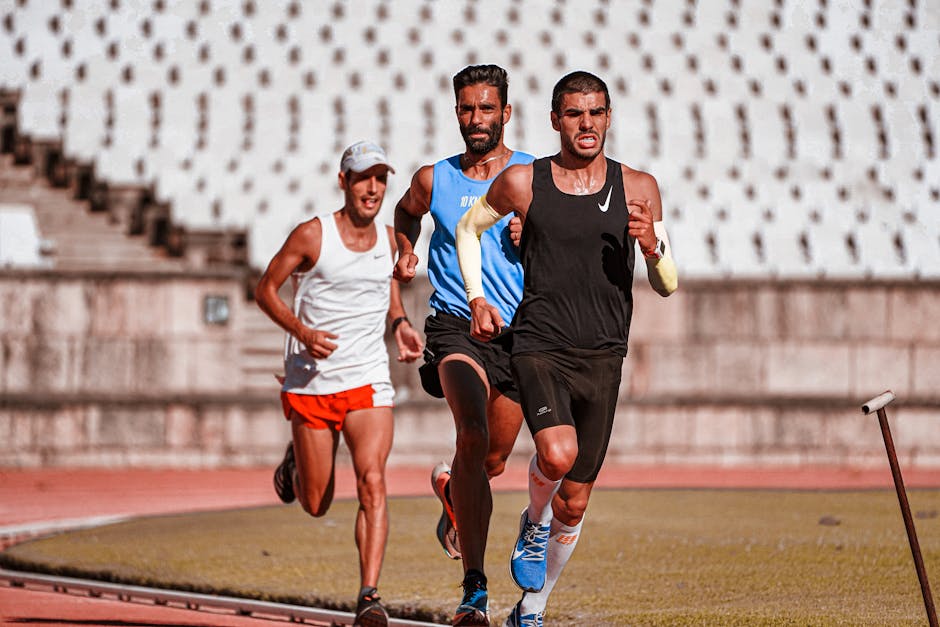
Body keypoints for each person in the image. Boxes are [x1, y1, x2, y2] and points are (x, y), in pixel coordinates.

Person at [454, 71, 679, 627]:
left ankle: (533, 607)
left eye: (596, 113)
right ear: (555, 120)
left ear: (608, 117)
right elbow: (467, 228)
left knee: (575, 502)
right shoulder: (524, 182)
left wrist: (653, 249)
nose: (587, 124)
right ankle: (531, 523)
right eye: (574, 114)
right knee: (556, 454)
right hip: (540, 342)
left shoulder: (641, 187)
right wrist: (477, 296)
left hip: (604, 353)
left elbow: (668, 283)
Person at [255, 140, 423, 627]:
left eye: (380, 178)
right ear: (343, 181)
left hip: (368, 377)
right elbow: (264, 289)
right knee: (316, 502)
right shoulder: (313, 235)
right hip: (312, 382)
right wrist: (302, 332)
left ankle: (369, 596)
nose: (372, 188)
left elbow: (389, 295)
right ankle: (297, 465)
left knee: (373, 481)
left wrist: (401, 326)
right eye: (362, 177)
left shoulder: (391, 241)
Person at [393, 64, 534, 626]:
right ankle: (475, 590)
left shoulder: (531, 175)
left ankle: (452, 490)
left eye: (486, 108)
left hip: (519, 331)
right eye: (466, 109)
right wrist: (407, 249)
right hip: (454, 324)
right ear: (456, 112)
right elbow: (405, 210)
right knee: (470, 433)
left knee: (492, 459)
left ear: (506, 112)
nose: (476, 120)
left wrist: (532, 231)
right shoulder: (435, 179)